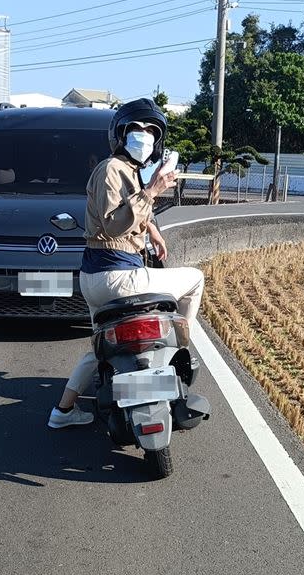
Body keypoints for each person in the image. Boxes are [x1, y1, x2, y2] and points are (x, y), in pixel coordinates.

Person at [48, 97, 205, 429]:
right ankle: (183, 349)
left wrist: (154, 232)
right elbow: (114, 224)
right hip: (118, 276)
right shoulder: (110, 169)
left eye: (151, 130)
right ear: (119, 135)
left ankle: (62, 412)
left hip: (97, 276)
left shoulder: (126, 171)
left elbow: (129, 212)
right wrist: (153, 190)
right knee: (195, 278)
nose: (143, 135)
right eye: (135, 128)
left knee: (100, 347)